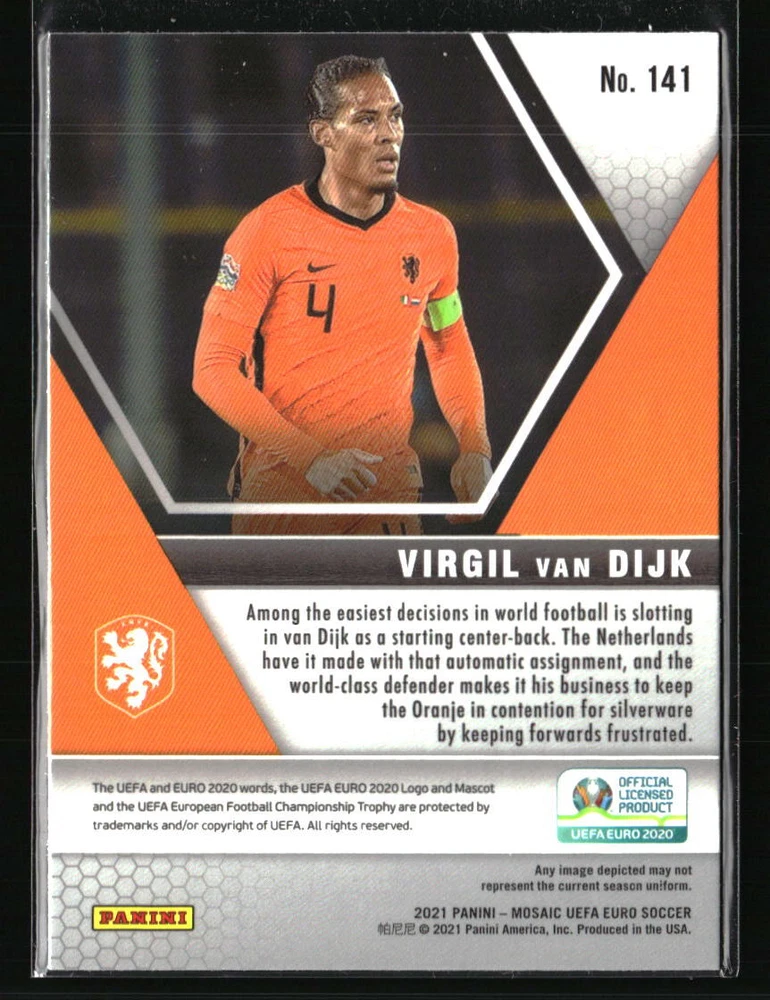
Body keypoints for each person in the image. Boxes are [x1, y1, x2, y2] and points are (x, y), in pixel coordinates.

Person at [193, 54, 492, 535]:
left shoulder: (431, 235)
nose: (389, 134)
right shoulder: (268, 231)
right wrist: (312, 459)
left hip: (389, 502)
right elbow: (213, 369)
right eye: (366, 120)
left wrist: (475, 448)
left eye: (395, 116)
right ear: (323, 134)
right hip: (284, 505)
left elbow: (447, 344)